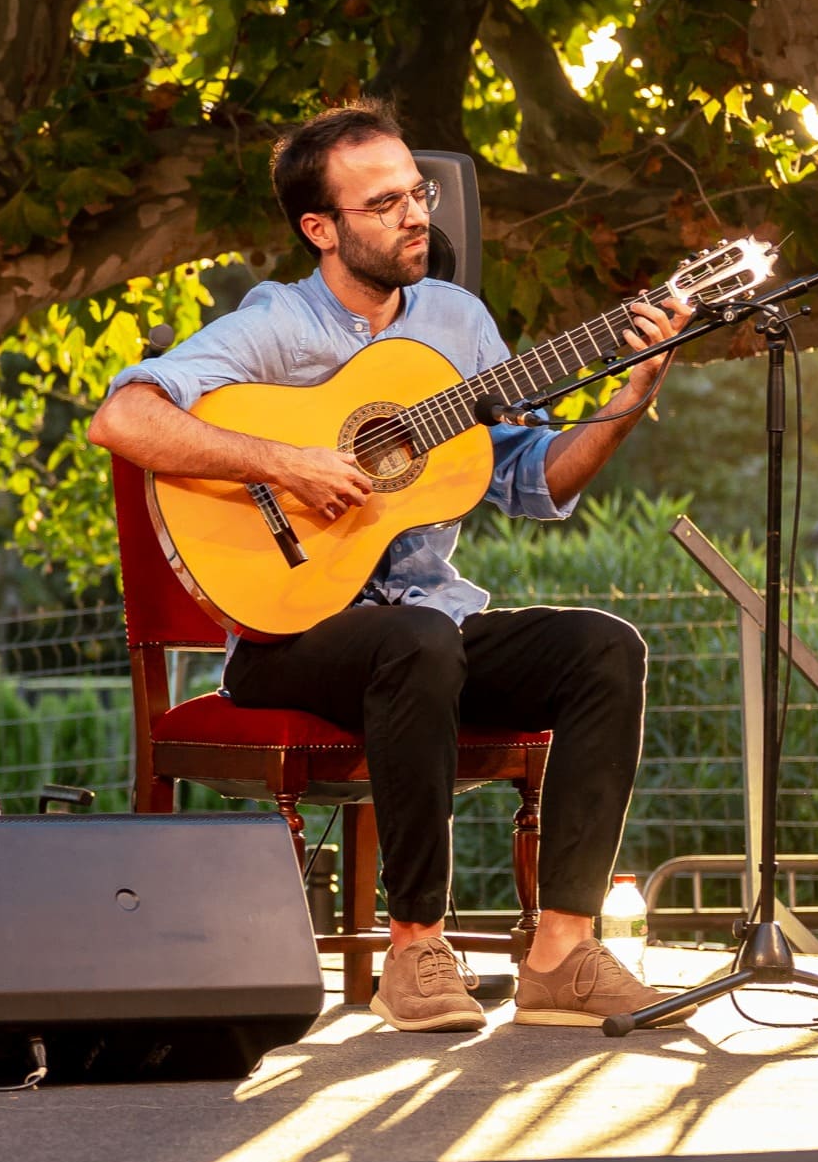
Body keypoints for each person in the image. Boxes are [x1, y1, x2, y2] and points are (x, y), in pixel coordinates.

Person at [87, 99, 696, 1034]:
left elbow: (533, 479)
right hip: (290, 634)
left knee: (600, 648)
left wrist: (628, 394)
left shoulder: (455, 319)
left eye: (417, 193)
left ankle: (559, 955)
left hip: (427, 626)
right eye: (385, 204)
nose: (417, 215)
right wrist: (285, 461)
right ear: (319, 228)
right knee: (416, 642)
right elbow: (122, 418)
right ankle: (416, 947)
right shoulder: (278, 324)